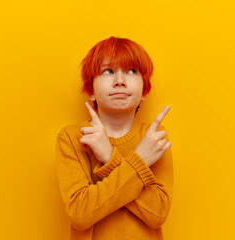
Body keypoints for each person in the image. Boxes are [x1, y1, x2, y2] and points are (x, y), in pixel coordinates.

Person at [55, 36, 174, 240]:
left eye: (131, 71)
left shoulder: (153, 138)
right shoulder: (72, 138)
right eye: (108, 71)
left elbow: (157, 214)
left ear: (144, 90)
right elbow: (80, 214)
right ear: (90, 90)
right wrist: (140, 162)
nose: (120, 81)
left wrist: (110, 158)